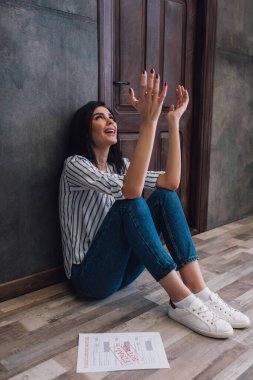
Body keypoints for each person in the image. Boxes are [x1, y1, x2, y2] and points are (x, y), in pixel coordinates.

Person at [59, 69, 250, 339]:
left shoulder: (121, 167)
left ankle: (199, 290)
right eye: (99, 117)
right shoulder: (75, 165)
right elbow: (132, 192)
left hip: (121, 273)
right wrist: (147, 122)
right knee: (131, 202)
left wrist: (172, 121)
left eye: (111, 116)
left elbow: (171, 182)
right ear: (85, 129)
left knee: (164, 197)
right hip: (90, 278)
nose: (109, 120)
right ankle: (181, 300)